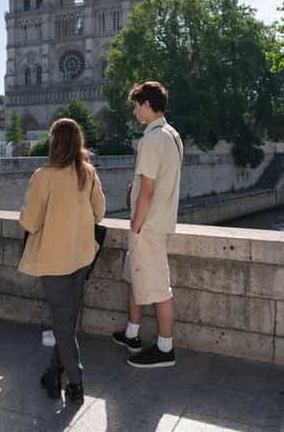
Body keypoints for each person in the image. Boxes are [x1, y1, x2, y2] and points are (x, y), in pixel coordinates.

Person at [18, 118, 106, 404]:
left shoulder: (44, 175)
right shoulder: (88, 172)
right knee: (67, 321)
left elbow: (30, 221)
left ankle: (76, 382)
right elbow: (100, 212)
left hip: (54, 261)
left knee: (63, 323)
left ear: (55, 142)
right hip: (81, 256)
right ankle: (52, 372)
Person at [112, 81, 183, 368]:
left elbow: (149, 189)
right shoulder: (172, 134)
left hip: (148, 225)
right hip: (159, 220)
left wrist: (137, 225)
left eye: (136, 104)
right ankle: (132, 334)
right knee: (136, 278)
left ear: (147, 105)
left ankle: (166, 349)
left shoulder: (152, 140)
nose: (133, 110)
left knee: (158, 288)